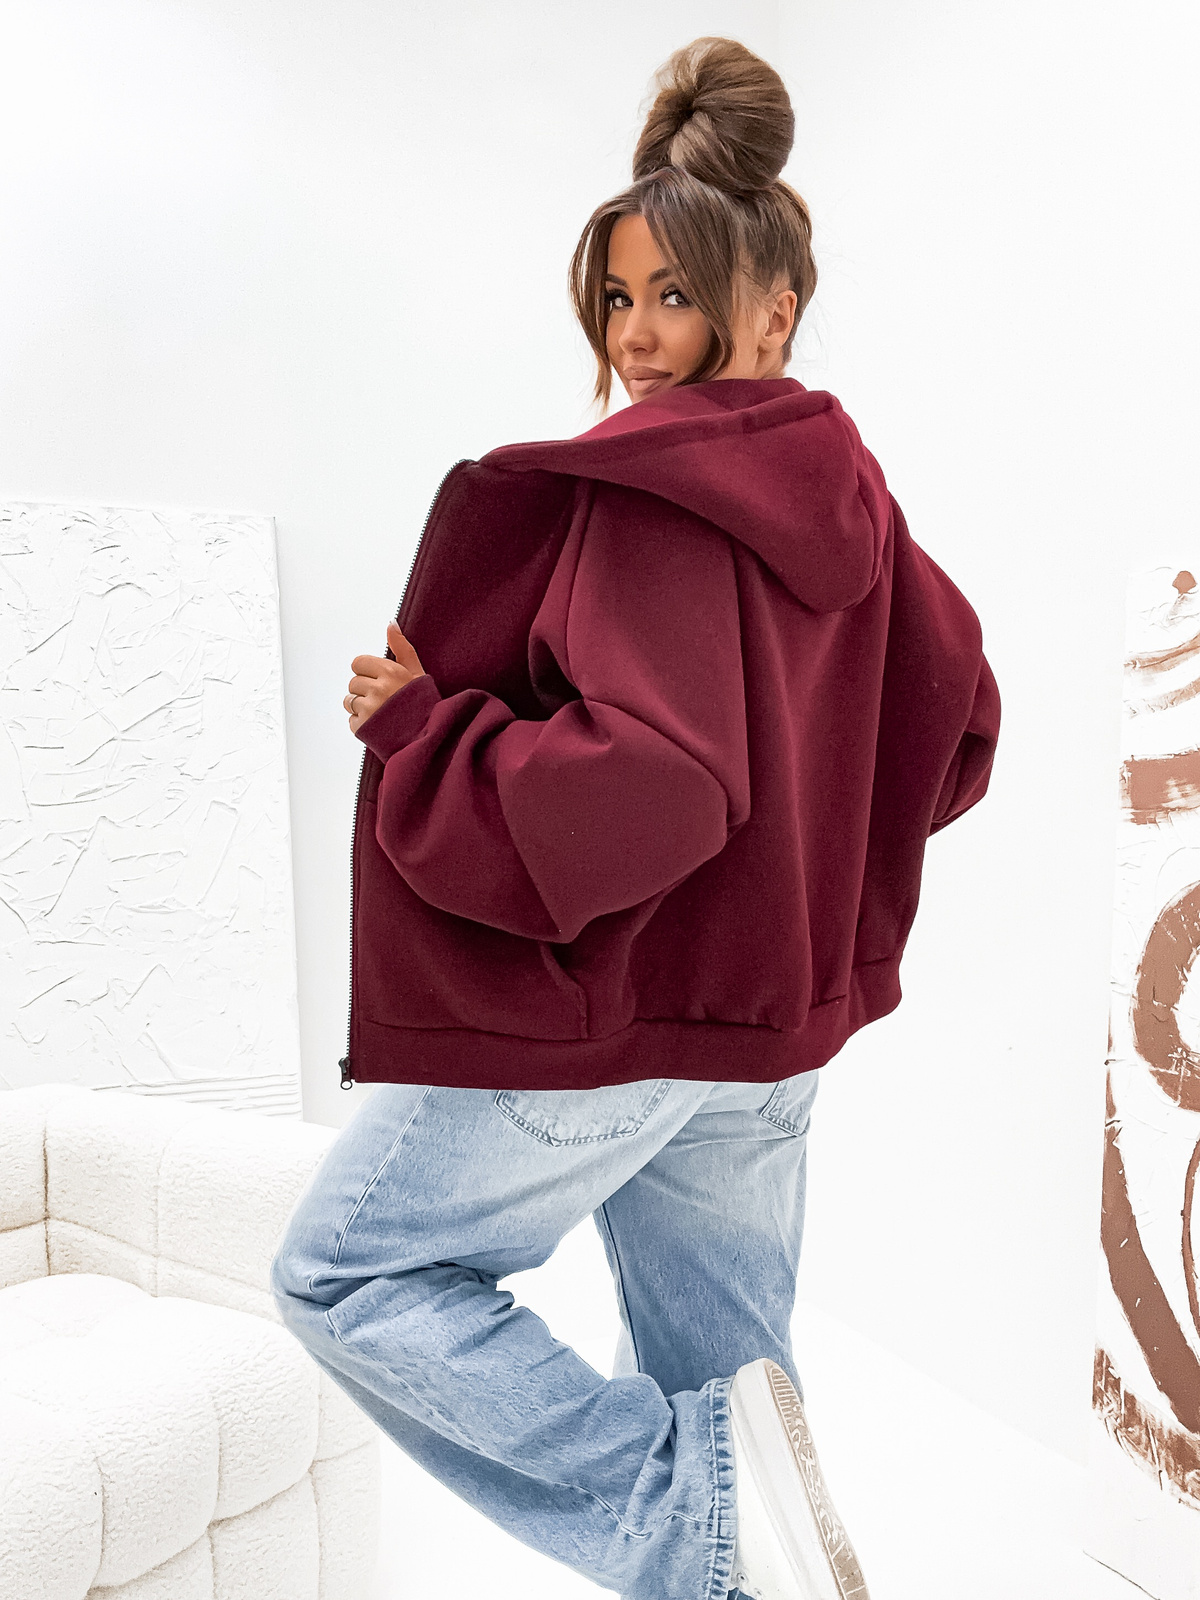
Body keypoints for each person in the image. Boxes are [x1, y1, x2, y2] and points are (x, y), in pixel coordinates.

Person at [270, 35, 1000, 1600]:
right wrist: (814, 854)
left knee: (346, 1273)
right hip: (768, 1044)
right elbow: (959, 724)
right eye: (616, 297)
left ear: (775, 306)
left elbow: (652, 787)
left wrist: (425, 734)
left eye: (675, 293)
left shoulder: (655, 495)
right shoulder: (857, 505)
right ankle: (728, 1541)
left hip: (638, 1014)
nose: (639, 335)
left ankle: (692, 1534)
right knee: (725, 1409)